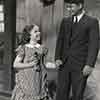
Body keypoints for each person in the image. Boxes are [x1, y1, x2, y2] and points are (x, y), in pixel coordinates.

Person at [55, 0, 99, 100]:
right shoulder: (65, 21)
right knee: (61, 94)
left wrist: (89, 64)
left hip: (81, 66)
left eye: (71, 7)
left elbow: (94, 45)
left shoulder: (92, 22)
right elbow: (60, 40)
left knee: (77, 95)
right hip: (64, 64)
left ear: (80, 5)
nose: (69, 9)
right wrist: (57, 58)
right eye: (67, 7)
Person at [11, 24, 48, 100]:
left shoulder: (42, 48)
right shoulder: (24, 48)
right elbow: (15, 64)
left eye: (39, 31)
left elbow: (43, 64)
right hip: (26, 80)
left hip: (39, 80)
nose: (39, 33)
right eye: (35, 31)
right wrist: (30, 64)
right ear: (29, 35)